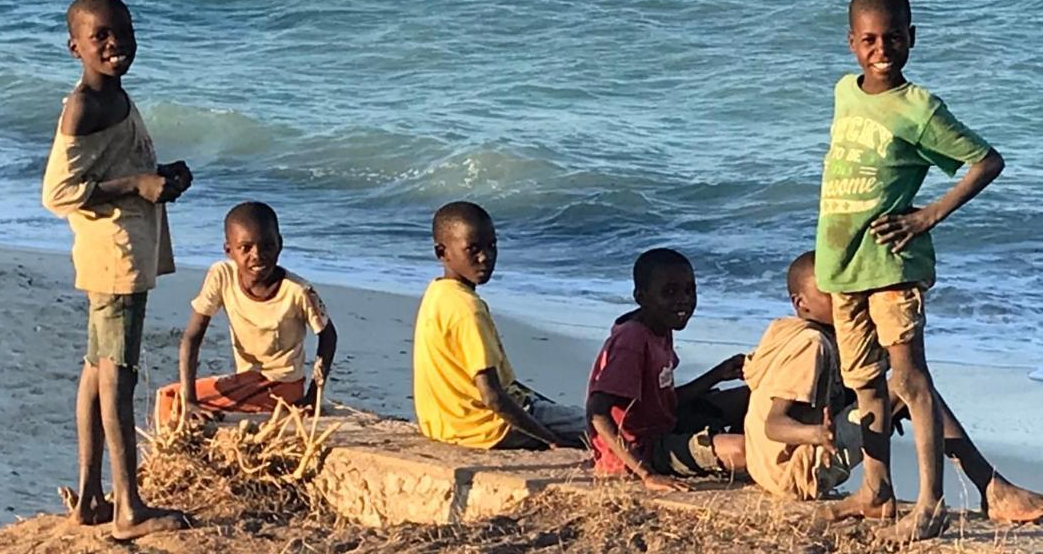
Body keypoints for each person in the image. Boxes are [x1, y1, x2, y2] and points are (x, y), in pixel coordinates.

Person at [815, 0, 1006, 541]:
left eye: (893, 37)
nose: (882, 48)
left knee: (910, 378)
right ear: (852, 43)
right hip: (843, 265)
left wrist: (928, 217)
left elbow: (985, 161)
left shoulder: (920, 108)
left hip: (893, 266)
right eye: (870, 39)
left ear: (911, 38)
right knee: (865, 385)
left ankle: (931, 504)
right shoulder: (844, 92)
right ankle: (876, 491)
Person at [42, 0, 192, 539]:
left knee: (96, 368)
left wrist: (159, 175)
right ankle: (129, 507)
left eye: (123, 32)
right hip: (116, 255)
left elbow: (116, 164)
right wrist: (135, 184)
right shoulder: (83, 106)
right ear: (74, 47)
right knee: (118, 376)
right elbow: (58, 193)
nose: (115, 44)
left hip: (124, 245)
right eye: (101, 36)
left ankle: (89, 496)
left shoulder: (115, 98)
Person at [745, 251, 1043, 523]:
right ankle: (993, 488)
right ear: (801, 303)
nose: (846, 298)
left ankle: (991, 487)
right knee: (910, 387)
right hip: (800, 469)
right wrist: (817, 434)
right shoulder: (811, 345)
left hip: (769, 469)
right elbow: (775, 424)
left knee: (901, 392)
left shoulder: (786, 331)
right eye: (832, 294)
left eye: (847, 288)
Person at [412, 201, 587, 450]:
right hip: (487, 428)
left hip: (447, 423)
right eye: (473, 249)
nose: (486, 257)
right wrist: (549, 439)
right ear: (442, 252)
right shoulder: (467, 309)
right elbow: (492, 396)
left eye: (492, 246)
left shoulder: (437, 294)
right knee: (608, 429)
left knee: (561, 411)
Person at [155, 201, 337, 430]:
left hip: (281, 385)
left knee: (173, 401)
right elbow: (192, 337)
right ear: (229, 250)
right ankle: (176, 461)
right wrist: (190, 399)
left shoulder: (298, 291)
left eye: (267, 246)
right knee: (175, 399)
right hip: (247, 380)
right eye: (245, 248)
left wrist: (313, 395)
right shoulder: (222, 276)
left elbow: (328, 337)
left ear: (280, 245)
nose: (258, 255)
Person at [585, 248, 749, 492]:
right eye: (669, 292)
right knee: (743, 451)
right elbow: (597, 411)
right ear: (641, 297)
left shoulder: (660, 326)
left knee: (751, 396)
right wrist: (646, 474)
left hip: (663, 425)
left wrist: (718, 374)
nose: (683, 299)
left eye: (689, 290)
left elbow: (664, 401)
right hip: (641, 450)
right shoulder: (632, 340)